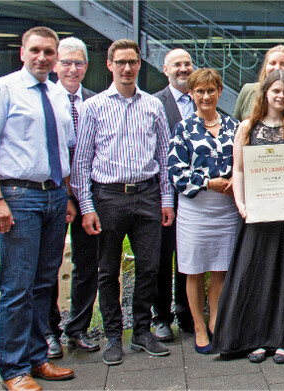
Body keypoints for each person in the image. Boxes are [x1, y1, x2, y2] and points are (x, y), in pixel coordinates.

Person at [0, 26, 76, 391]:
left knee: (42, 283)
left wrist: (66, 196)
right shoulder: (1, 90)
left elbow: (63, 150)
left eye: (49, 52)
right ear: (22, 52)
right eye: (36, 50)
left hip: (52, 197)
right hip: (16, 197)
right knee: (17, 286)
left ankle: (36, 358)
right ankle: (13, 369)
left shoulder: (58, 94)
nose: (43, 57)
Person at [72, 39, 173, 366]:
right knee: (107, 271)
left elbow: (164, 156)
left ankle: (142, 331)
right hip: (108, 197)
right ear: (110, 65)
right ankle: (114, 336)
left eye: (132, 62)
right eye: (121, 62)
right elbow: (82, 163)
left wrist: (166, 199)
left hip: (147, 195)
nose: (127, 68)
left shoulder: (153, 106)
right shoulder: (93, 107)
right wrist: (86, 206)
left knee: (150, 267)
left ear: (140, 65)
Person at [210, 69, 284, 364]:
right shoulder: (247, 127)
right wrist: (241, 203)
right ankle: (256, 339)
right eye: (276, 91)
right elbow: (240, 170)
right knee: (255, 274)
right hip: (257, 214)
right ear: (266, 93)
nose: (281, 96)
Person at [166, 68, 243, 355]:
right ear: (191, 94)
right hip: (196, 209)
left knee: (221, 269)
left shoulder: (234, 126)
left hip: (226, 209)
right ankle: (198, 326)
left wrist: (237, 177)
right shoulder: (183, 128)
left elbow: (244, 161)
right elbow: (175, 172)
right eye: (200, 91)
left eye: (211, 90)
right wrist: (208, 182)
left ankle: (215, 322)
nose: (206, 96)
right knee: (194, 270)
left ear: (220, 92)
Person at [44, 36, 99, 360]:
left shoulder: (93, 101)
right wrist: (63, 193)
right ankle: (50, 331)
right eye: (66, 62)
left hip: (89, 196)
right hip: (52, 195)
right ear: (55, 65)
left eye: (78, 62)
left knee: (86, 265)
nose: (72, 68)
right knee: (48, 266)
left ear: (87, 66)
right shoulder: (46, 100)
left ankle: (77, 329)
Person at [151, 48, 196, 341]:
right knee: (162, 256)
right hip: (164, 194)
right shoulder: (154, 103)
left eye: (187, 64)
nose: (183, 68)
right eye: (177, 64)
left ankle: (187, 314)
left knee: (188, 257)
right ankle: (161, 317)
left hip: (197, 196)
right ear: (165, 69)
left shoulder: (203, 100)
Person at [232, 45, 284, 121]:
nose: (277, 68)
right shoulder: (248, 91)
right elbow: (234, 127)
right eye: (272, 63)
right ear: (265, 66)